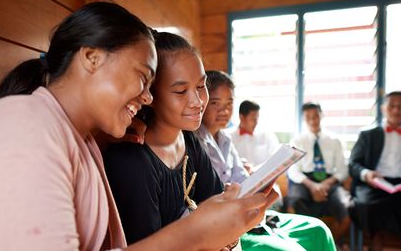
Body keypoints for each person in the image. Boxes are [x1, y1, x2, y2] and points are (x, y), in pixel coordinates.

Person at [0, 2, 277, 251]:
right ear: (91, 58)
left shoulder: (84, 142)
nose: (148, 98)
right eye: (142, 78)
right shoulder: (23, 124)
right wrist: (194, 234)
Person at [104, 32, 278, 249]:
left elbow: (215, 203)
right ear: (149, 95)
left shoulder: (188, 140)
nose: (197, 102)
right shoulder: (131, 161)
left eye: (200, 86)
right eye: (180, 91)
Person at [196, 70, 336, 251]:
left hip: (250, 213)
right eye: (216, 103)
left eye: (229, 103)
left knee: (319, 229)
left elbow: (241, 178)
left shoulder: (226, 141)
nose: (224, 110)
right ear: (202, 101)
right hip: (227, 227)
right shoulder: (194, 143)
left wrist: (259, 178)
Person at [349, 91, 401, 251]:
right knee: (365, 204)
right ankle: (375, 240)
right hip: (377, 184)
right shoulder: (368, 135)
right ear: (383, 108)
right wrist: (367, 174)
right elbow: (354, 164)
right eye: (392, 106)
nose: (396, 110)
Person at [287, 102, 351, 245]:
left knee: (346, 207)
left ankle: (329, 244)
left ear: (321, 115)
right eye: (308, 117)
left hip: (330, 181)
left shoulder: (335, 140)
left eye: (315, 116)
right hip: (305, 181)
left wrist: (324, 185)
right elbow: (293, 170)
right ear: (304, 119)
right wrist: (312, 186)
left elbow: (342, 169)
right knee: (294, 201)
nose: (312, 121)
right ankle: (304, 244)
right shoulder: (297, 140)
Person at [230, 100, 280, 173]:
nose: (256, 122)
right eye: (253, 119)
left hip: (263, 178)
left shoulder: (267, 136)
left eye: (257, 118)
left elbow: (275, 159)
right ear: (242, 117)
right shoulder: (229, 138)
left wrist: (255, 170)